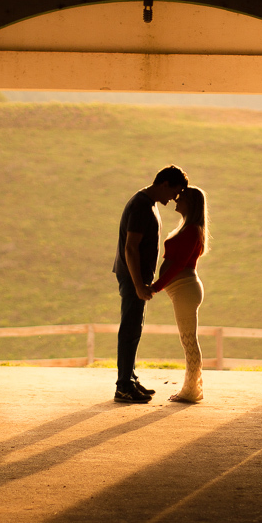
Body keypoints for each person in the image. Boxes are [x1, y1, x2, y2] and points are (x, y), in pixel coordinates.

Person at [112, 165, 189, 403]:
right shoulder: (140, 206)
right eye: (173, 192)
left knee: (135, 329)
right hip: (132, 276)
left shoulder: (148, 205)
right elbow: (130, 247)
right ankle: (123, 386)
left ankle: (130, 379)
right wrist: (137, 283)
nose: (173, 199)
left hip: (138, 277)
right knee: (129, 329)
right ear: (164, 183)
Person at [151, 186, 209, 403]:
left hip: (185, 288)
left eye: (181, 198)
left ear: (190, 204)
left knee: (189, 341)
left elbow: (178, 264)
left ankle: (191, 390)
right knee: (188, 340)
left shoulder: (192, 230)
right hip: (182, 289)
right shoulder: (187, 228)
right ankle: (192, 387)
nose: (176, 200)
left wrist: (157, 286)